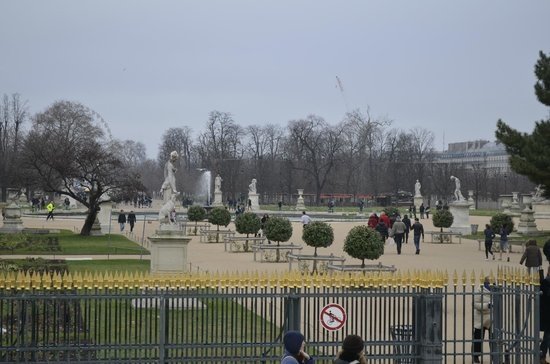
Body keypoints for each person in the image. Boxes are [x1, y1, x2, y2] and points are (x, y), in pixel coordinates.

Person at [473, 276, 493, 364]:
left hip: (492, 318)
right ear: (485, 284)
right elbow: (475, 304)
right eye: (489, 283)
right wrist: (486, 305)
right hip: (480, 317)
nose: (491, 285)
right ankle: (476, 355)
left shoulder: (496, 291)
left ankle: (494, 356)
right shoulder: (479, 290)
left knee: (493, 339)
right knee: (478, 338)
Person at [539, 266, 550, 364]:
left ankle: (541, 355)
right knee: (547, 336)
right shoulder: (545, 282)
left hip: (547, 314)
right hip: (547, 315)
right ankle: (541, 356)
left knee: (547, 336)